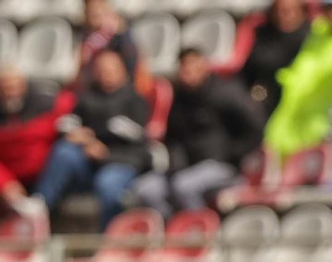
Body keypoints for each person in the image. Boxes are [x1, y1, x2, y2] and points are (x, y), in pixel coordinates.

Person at [134, 48, 263, 218]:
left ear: (205, 66)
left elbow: (255, 127)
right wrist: (175, 164)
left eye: (193, 65)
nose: (189, 71)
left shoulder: (226, 93)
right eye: (185, 67)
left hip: (223, 165)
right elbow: (172, 138)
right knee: (147, 189)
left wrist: (234, 155)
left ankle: (199, 230)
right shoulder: (179, 99)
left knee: (184, 186)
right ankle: (172, 227)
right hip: (187, 166)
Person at [39, 50, 153, 229]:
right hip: (88, 162)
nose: (106, 74)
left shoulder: (136, 100)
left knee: (108, 183)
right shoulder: (87, 97)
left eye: (111, 69)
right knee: (64, 151)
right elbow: (66, 124)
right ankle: (38, 211)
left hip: (121, 163)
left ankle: (108, 237)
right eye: (101, 70)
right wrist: (76, 135)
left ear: (123, 70)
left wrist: (105, 153)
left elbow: (139, 143)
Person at [264, 0, 332, 156]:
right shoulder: (316, 31)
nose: (331, 12)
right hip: (293, 106)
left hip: (325, 116)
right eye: (328, 7)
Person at [0, 65, 61, 217]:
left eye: (14, 87)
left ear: (24, 86)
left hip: (43, 177)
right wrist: (4, 184)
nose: (10, 93)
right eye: (4, 88)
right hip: (9, 180)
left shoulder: (47, 107)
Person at [240, 0, 312, 118]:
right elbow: (249, 68)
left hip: (297, 100)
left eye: (288, 11)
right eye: (279, 11)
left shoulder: (311, 37)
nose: (283, 15)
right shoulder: (263, 33)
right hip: (262, 98)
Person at [75, 0, 148, 95]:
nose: (95, 18)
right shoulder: (86, 39)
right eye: (91, 14)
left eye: (98, 14)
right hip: (95, 89)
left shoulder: (121, 36)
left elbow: (133, 64)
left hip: (123, 89)